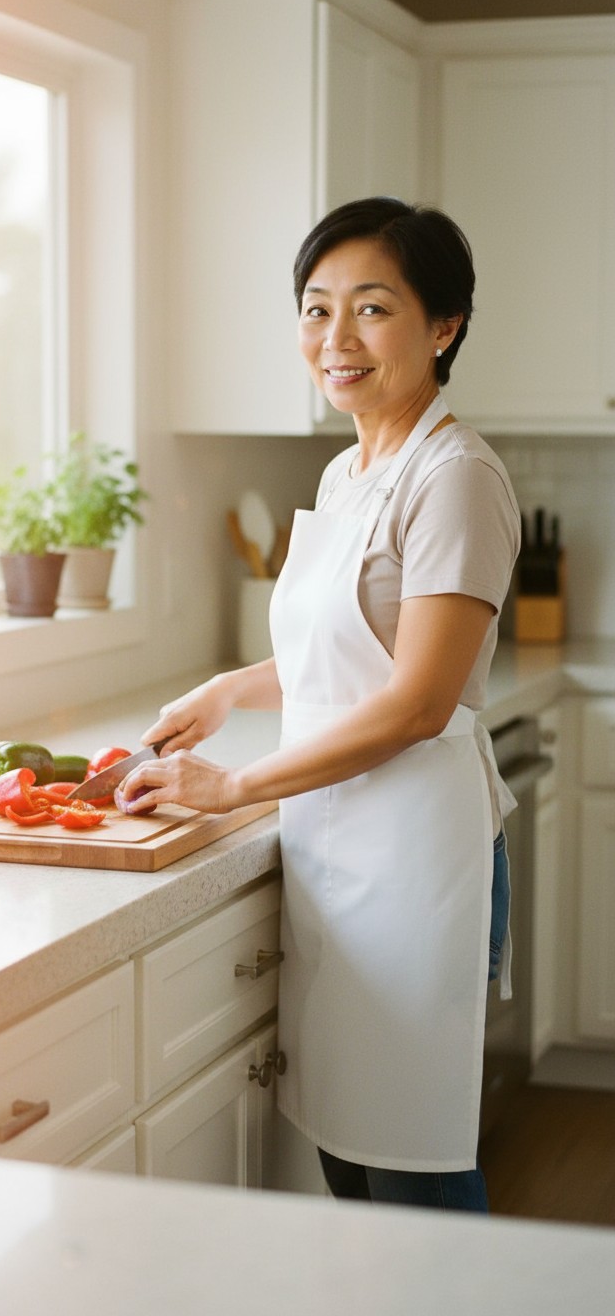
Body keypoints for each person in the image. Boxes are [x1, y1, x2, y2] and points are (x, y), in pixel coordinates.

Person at [121, 196, 521, 1213]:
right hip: (337, 846)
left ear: (444, 325)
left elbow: (416, 703)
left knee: (413, 1160)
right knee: (348, 1150)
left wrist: (235, 783)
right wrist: (226, 691)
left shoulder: (456, 477)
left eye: (372, 309)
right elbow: (336, 654)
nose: (334, 339)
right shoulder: (349, 469)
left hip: (417, 860)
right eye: (314, 308)